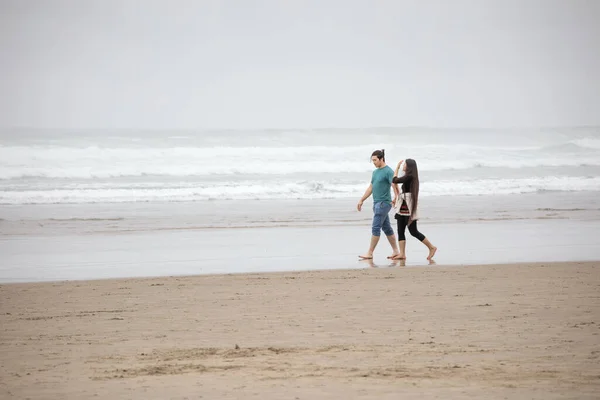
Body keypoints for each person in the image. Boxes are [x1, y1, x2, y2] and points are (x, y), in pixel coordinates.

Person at [357, 149, 400, 260]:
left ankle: (370, 253)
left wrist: (396, 197)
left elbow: (394, 185)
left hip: (383, 203)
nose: (374, 162)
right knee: (386, 228)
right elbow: (371, 187)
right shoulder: (375, 172)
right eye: (372, 160)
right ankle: (396, 251)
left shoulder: (388, 171)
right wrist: (362, 199)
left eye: (375, 160)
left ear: (381, 159)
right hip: (376, 203)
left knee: (375, 227)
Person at [391, 159, 437, 260]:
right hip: (403, 205)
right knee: (400, 230)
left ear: (409, 166)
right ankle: (402, 254)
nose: (403, 165)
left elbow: (394, 180)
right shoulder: (410, 177)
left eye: (404, 164)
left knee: (413, 231)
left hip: (407, 206)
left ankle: (431, 247)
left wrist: (397, 167)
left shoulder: (409, 177)